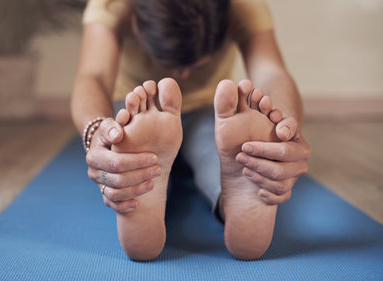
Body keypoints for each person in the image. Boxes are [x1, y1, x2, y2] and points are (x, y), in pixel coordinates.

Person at [71, 0, 311, 261]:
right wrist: (98, 132)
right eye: (168, 62)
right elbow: (92, 75)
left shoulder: (244, 4)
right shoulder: (111, 4)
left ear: (228, 21)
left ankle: (147, 189)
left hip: (209, 113)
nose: (182, 75)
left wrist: (282, 133)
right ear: (134, 24)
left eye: (196, 63)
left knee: (214, 149)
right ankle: (215, 193)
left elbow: (271, 73)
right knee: (144, 145)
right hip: (137, 115)